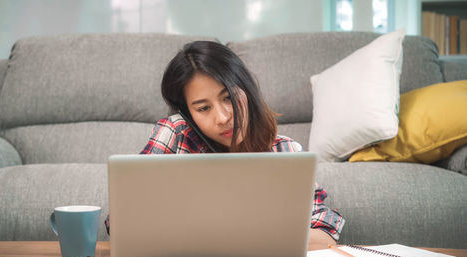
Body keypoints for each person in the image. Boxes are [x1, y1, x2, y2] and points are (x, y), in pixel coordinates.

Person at [106, 41, 344, 245]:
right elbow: (119, 222)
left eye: (228, 98)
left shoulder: (286, 151)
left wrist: (241, 238)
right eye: (203, 108)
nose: (222, 118)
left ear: (247, 91)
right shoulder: (176, 134)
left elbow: (326, 233)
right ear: (188, 113)